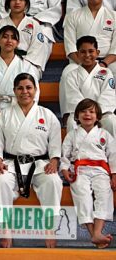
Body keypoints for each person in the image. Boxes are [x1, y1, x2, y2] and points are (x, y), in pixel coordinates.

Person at [0, 73, 62, 248]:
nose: (25, 92)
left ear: (35, 90)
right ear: (14, 91)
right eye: (20, 88)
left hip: (39, 164)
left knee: (53, 181)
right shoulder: (4, 115)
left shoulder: (47, 115)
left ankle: (50, 229)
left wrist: (54, 160)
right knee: (0, 181)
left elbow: (55, 143)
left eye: (29, 88)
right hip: (11, 163)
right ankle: (5, 230)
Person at [61, 98, 116, 249]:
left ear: (98, 117)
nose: (87, 114)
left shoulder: (104, 134)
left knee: (104, 193)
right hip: (80, 170)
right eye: (83, 111)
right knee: (81, 194)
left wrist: (114, 174)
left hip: (101, 170)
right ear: (77, 116)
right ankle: (95, 234)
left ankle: (97, 232)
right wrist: (64, 169)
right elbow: (65, 154)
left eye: (91, 112)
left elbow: (113, 155)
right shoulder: (72, 135)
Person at [0, 26, 41, 139]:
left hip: (18, 107)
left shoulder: (26, 66)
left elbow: (33, 91)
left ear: (17, 43)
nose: (9, 40)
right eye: (5, 37)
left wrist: (23, 110)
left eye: (13, 38)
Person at [62, 0, 116, 82]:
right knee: (68, 73)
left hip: (108, 62)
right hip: (80, 62)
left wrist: (103, 64)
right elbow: (70, 47)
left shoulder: (114, 16)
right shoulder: (72, 16)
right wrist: (84, 64)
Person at [60, 36, 116, 135]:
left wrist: (95, 113)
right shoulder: (71, 75)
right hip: (81, 114)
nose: (87, 55)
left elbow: (108, 96)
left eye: (91, 51)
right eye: (83, 52)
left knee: (111, 121)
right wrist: (87, 113)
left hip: (101, 114)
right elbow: (73, 98)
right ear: (77, 54)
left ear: (97, 53)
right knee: (71, 122)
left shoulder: (107, 73)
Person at [0, 0, 51, 77]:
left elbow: (37, 48)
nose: (17, 2)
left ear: (26, 3)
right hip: (5, 62)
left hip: (28, 65)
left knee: (27, 77)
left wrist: (21, 64)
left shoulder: (34, 24)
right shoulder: (0, 24)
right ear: (8, 2)